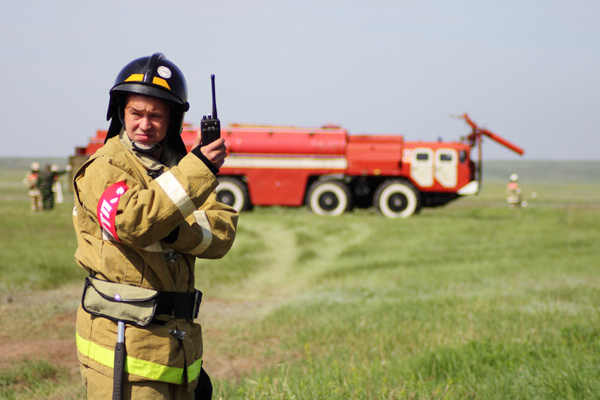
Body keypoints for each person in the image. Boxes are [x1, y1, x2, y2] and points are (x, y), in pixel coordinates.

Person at [72, 53, 238, 399]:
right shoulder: (106, 166)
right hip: (124, 351)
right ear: (121, 113)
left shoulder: (178, 171)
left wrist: (173, 228)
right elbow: (132, 222)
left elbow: (221, 233)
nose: (144, 124)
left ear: (173, 120)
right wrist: (196, 172)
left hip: (179, 351)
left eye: (156, 115)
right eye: (136, 113)